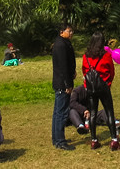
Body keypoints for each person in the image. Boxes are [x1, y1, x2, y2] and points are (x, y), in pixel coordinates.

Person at [81, 32, 120, 151]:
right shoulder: (106, 55)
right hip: (103, 86)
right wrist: (108, 83)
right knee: (109, 112)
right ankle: (114, 139)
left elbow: (84, 71)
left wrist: (86, 84)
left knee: (92, 113)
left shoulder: (86, 55)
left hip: (91, 88)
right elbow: (111, 71)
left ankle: (94, 140)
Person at [51, 22, 76, 151]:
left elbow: (69, 62)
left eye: (72, 31)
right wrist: (67, 84)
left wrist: (73, 71)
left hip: (63, 80)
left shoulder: (65, 43)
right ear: (61, 32)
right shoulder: (60, 45)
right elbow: (62, 67)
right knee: (61, 113)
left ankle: (56, 138)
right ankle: (60, 140)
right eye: (69, 31)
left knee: (58, 112)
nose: (71, 33)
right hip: (62, 83)